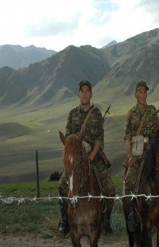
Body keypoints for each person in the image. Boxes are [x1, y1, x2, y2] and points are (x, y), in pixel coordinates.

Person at [58, 80, 115, 235]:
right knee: (62, 185)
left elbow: (99, 140)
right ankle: (64, 219)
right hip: (76, 159)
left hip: (93, 157)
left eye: (87, 91)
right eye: (82, 91)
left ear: (91, 94)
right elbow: (68, 139)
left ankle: (106, 220)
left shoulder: (96, 114)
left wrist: (90, 156)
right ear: (78, 94)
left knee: (109, 188)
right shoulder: (72, 114)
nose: (84, 94)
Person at [123, 80, 159, 232]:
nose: (142, 95)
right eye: (140, 92)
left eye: (144, 92)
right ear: (135, 94)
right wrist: (130, 155)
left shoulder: (152, 111)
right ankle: (131, 211)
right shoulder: (131, 114)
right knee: (130, 180)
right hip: (137, 153)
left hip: (151, 150)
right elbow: (127, 137)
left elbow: (158, 130)